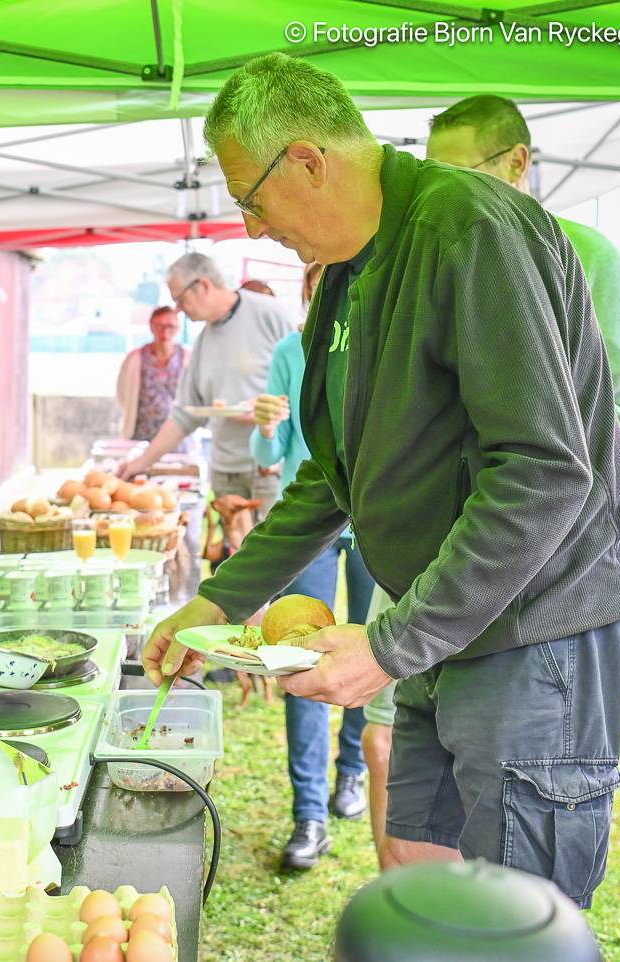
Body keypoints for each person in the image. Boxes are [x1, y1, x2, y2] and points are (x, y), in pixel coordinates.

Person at [143, 54, 620, 909]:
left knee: (518, 910)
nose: (252, 228)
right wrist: (218, 601)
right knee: (418, 851)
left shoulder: (468, 230)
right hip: (446, 624)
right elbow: (335, 475)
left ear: (306, 160)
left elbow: (543, 472)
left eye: (250, 197)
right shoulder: (351, 272)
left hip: (538, 629)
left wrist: (388, 646)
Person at [425, 95, 620, 463]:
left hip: (561, 514)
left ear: (516, 162)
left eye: (461, 174)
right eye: (433, 176)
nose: (443, 191)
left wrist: (547, 477)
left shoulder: (591, 257)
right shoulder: (442, 261)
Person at [250, 270, 375, 871]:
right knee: (299, 659)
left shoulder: (382, 340)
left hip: (378, 522)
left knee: (372, 652)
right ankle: (309, 814)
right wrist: (267, 425)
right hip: (311, 524)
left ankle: (351, 772)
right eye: (320, 283)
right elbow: (269, 455)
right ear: (308, 294)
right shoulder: (289, 352)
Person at [117, 253, 294, 525]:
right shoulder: (203, 342)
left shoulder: (270, 314)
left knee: (276, 562)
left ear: (203, 285)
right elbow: (184, 415)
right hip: (225, 471)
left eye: (180, 300)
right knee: (235, 559)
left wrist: (268, 412)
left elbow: (307, 385)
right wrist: (140, 463)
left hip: (269, 470)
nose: (178, 310)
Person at [116, 305, 189, 445]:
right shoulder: (135, 358)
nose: (165, 333)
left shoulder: (187, 358)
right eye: (160, 326)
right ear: (151, 326)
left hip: (178, 436)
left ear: (178, 328)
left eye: (170, 327)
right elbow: (122, 395)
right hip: (141, 434)